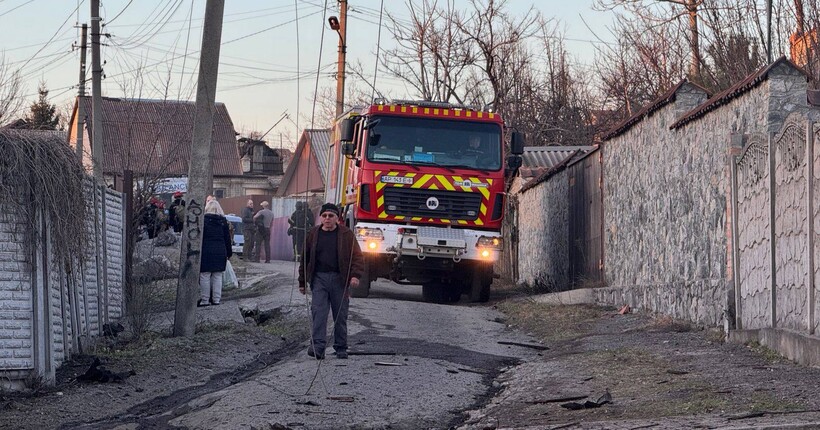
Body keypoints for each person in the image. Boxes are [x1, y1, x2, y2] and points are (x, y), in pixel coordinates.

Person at [298, 203, 364, 360]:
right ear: (321, 217)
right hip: (319, 279)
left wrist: (355, 276)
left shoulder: (346, 235)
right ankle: (318, 347)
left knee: (340, 314)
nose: (327, 219)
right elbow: (304, 259)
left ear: (337, 218)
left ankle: (341, 347)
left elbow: (357, 257)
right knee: (319, 312)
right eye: (324, 216)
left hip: (339, 279)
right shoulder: (313, 234)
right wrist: (302, 282)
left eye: (331, 216)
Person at [198, 199, 232, 307]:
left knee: (205, 275)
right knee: (217, 275)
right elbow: (227, 239)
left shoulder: (203, 220)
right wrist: (229, 253)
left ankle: (205, 300)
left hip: (206, 250)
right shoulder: (223, 221)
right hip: (220, 250)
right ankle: (216, 299)